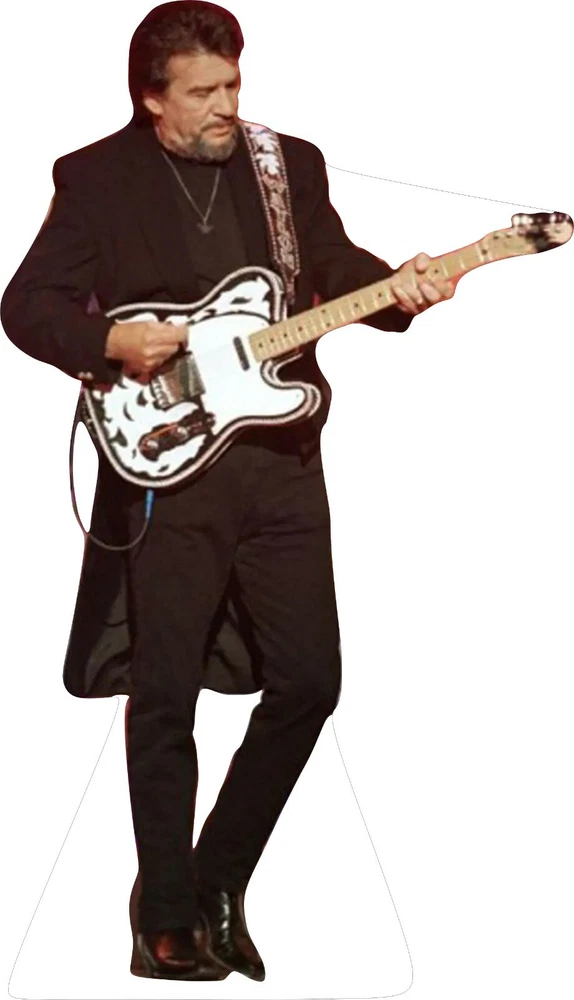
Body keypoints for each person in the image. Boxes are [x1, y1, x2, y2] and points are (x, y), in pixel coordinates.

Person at [0, 0, 457, 982]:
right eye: (201, 92)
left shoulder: (286, 163)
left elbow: (329, 267)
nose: (224, 106)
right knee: (164, 695)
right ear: (150, 97)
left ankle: (214, 877)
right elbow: (25, 304)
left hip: (281, 464)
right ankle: (164, 914)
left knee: (310, 682)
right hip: (170, 467)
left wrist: (398, 288)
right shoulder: (96, 177)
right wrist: (106, 339)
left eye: (233, 84)